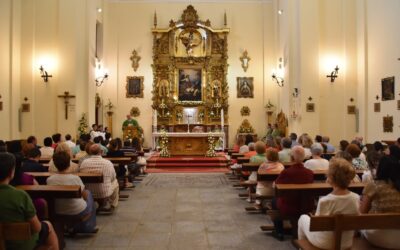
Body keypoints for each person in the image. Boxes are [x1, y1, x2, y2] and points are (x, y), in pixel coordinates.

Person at [0, 152, 59, 250]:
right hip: (20, 244)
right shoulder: (19, 195)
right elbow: (37, 228)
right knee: (48, 225)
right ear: (11, 172)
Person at [298, 158, 360, 249]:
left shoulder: (325, 200)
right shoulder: (356, 198)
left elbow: (318, 227)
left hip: (324, 243)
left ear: (330, 178)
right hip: (346, 243)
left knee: (302, 218)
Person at [47, 151, 97, 234]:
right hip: (76, 211)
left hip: (58, 210)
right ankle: (89, 226)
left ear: (55, 164)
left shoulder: (50, 179)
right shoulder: (75, 178)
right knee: (88, 194)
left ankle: (71, 225)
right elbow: (84, 195)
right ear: (69, 163)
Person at [272, 146, 314, 240]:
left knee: (274, 201)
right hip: (306, 205)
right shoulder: (310, 172)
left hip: (289, 206)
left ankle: (279, 231)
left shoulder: (286, 172)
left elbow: (277, 187)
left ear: (291, 158)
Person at [80, 144, 119, 212]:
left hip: (89, 192)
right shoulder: (107, 163)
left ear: (90, 152)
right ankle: (113, 205)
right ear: (101, 151)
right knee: (115, 182)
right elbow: (113, 177)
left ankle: (100, 204)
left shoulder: (84, 163)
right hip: (105, 192)